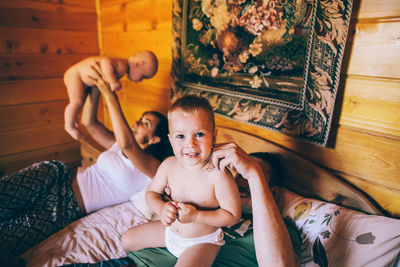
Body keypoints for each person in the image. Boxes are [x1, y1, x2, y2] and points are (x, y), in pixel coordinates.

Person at [0, 61, 171, 258]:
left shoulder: (153, 167)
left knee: (8, 238)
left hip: (66, 205)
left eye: (145, 123)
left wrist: (109, 93)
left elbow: (128, 145)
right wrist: (95, 86)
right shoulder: (117, 144)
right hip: (57, 174)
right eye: (140, 118)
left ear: (155, 139)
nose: (137, 122)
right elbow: (89, 123)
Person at [120, 95, 242, 266]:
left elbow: (232, 216)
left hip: (202, 241)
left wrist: (197, 215)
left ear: (213, 137)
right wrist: (161, 208)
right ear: (171, 139)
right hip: (171, 232)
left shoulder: (218, 174)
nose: (190, 144)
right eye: (180, 136)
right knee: (127, 239)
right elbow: (152, 193)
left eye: (199, 134)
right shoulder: (169, 165)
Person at [64, 50, 158, 141]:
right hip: (76, 75)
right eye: (143, 76)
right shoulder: (122, 66)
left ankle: (72, 118)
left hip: (80, 78)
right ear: (138, 64)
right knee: (76, 102)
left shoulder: (122, 67)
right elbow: (105, 63)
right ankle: (70, 126)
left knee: (79, 103)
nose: (140, 80)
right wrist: (113, 82)